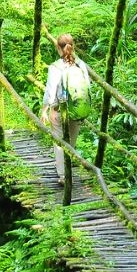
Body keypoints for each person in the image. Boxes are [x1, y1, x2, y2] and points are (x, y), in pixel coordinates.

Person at [40, 33, 90, 186]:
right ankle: (68, 170)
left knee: (59, 143)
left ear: (58, 47)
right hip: (76, 109)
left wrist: (44, 110)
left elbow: (50, 91)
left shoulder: (55, 67)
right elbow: (87, 86)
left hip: (59, 110)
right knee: (71, 143)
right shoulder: (80, 64)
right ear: (72, 46)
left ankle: (63, 175)